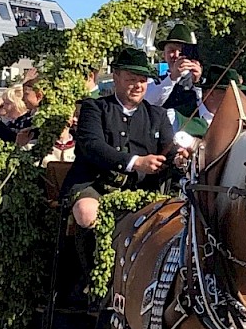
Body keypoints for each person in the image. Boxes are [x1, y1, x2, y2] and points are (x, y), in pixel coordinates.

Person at [59, 46, 185, 232]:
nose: (138, 86)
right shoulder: (94, 108)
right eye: (131, 80)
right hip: (95, 185)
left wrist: (179, 157)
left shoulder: (158, 115)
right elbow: (92, 146)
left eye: (142, 80)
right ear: (116, 77)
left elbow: (170, 148)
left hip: (143, 189)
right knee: (86, 212)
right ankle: (89, 261)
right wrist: (136, 162)